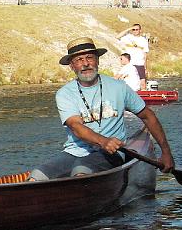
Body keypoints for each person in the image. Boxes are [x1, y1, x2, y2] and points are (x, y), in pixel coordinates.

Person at [29, 37, 174, 181]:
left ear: (97, 60)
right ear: (72, 66)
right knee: (36, 176)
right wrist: (103, 141)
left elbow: (148, 116)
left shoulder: (119, 87)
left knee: (81, 171)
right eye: (79, 60)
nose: (85, 64)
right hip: (74, 152)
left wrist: (166, 152)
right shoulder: (64, 93)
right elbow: (76, 127)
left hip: (113, 153)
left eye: (90, 58)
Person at [116, 23, 149, 90]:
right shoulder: (128, 37)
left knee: (142, 82)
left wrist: (145, 67)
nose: (135, 31)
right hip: (130, 63)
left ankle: (143, 98)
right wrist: (129, 29)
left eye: (136, 29)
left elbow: (145, 55)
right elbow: (117, 37)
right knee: (127, 79)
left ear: (140, 30)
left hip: (139, 63)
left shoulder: (143, 40)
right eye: (133, 29)